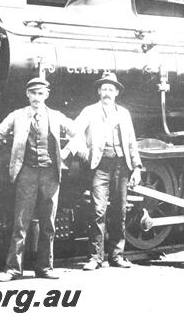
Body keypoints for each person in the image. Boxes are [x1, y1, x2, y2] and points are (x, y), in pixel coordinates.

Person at [0, 77, 75, 281]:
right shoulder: (17, 116)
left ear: (47, 95)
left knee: (48, 223)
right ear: (27, 94)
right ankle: (14, 269)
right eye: (33, 93)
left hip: (51, 174)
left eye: (41, 93)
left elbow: (78, 134)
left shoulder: (56, 116)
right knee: (21, 222)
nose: (37, 97)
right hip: (26, 174)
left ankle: (45, 268)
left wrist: (67, 154)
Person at [62, 72, 143, 270]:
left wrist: (137, 168)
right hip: (100, 167)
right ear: (99, 91)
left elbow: (132, 141)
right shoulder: (89, 111)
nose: (107, 92)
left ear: (116, 92)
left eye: (111, 89)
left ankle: (117, 256)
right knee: (98, 211)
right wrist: (76, 151)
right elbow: (74, 131)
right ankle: (95, 258)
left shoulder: (124, 113)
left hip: (122, 167)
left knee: (120, 211)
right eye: (104, 89)